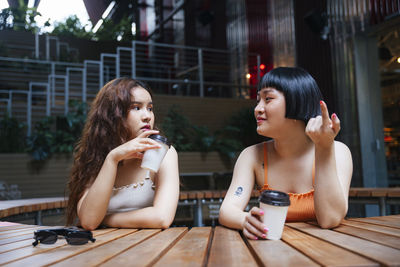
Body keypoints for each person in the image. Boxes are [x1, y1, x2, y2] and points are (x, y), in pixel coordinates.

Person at [219, 67, 353, 240]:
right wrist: (245, 220)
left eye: (268, 99)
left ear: (297, 101)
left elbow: (330, 219)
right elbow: (227, 210)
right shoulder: (252, 156)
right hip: (272, 251)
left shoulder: (338, 151)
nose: (258, 109)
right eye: (258, 100)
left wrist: (324, 147)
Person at [66, 78, 180, 230]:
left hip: (147, 248)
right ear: (113, 115)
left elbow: (162, 218)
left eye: (150, 108)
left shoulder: (163, 152)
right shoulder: (96, 156)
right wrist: (112, 159)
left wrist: (106, 219)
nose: (147, 116)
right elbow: (88, 221)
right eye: (136, 107)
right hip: (99, 250)